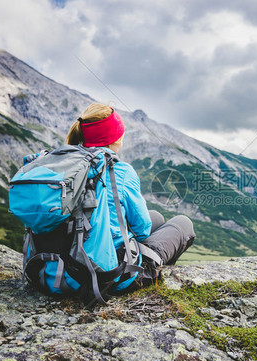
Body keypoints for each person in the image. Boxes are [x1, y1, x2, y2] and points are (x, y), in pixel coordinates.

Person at [65, 102, 196, 288]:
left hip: (59, 267)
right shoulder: (119, 170)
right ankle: (155, 279)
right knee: (183, 223)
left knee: (157, 217)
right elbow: (142, 230)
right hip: (107, 274)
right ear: (116, 139)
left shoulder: (66, 163)